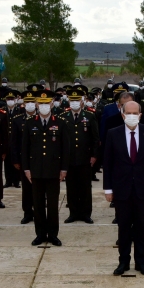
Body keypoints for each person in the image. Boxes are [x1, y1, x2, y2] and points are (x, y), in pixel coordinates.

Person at [103, 101, 144, 276]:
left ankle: (141, 262)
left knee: (141, 226)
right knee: (124, 227)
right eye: (129, 112)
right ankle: (123, 262)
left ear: (140, 115)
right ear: (123, 114)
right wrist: (108, 189)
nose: (132, 116)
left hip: (143, 188)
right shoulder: (113, 134)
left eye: (135, 113)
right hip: (121, 189)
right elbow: (108, 163)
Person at [22, 90, 69, 246]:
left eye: (46, 103)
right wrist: (26, 169)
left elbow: (65, 148)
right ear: (36, 104)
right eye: (40, 103)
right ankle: (40, 234)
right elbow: (25, 148)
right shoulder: (30, 123)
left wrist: (64, 169)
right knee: (38, 204)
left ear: (51, 104)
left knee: (53, 205)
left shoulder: (60, 122)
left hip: (53, 170)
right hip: (35, 170)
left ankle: (53, 234)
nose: (43, 106)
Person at [62, 88, 99, 224]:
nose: (74, 103)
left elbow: (95, 138)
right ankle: (73, 213)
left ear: (82, 101)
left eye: (77, 100)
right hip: (69, 159)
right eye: (72, 100)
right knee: (71, 187)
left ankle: (85, 213)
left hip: (85, 158)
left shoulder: (89, 116)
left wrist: (94, 155)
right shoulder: (64, 116)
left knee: (85, 187)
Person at [10, 90, 37, 224]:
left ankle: (38, 211)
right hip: (24, 159)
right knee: (26, 188)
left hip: (40, 159)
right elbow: (14, 142)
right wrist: (15, 159)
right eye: (28, 102)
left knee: (39, 187)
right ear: (24, 104)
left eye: (33, 102)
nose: (30, 104)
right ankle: (27, 212)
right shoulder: (17, 119)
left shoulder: (42, 118)